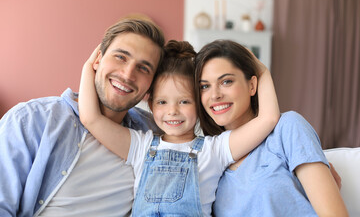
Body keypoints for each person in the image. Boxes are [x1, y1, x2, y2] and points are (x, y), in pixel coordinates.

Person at [78, 40, 280, 216]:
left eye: (184, 102)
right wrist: (89, 66)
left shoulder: (215, 150)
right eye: (162, 102)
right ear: (151, 105)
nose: (172, 111)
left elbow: (268, 118)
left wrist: (261, 70)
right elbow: (91, 118)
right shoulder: (140, 146)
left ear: (199, 105)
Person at [0, 16, 165, 217]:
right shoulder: (30, 120)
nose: (128, 74)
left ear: (151, 84)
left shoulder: (153, 135)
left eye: (143, 68)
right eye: (120, 57)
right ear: (97, 59)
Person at [194, 39, 349, 216]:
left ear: (252, 85)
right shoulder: (209, 157)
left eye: (226, 82)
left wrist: (263, 71)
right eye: (205, 86)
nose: (215, 95)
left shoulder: (288, 128)